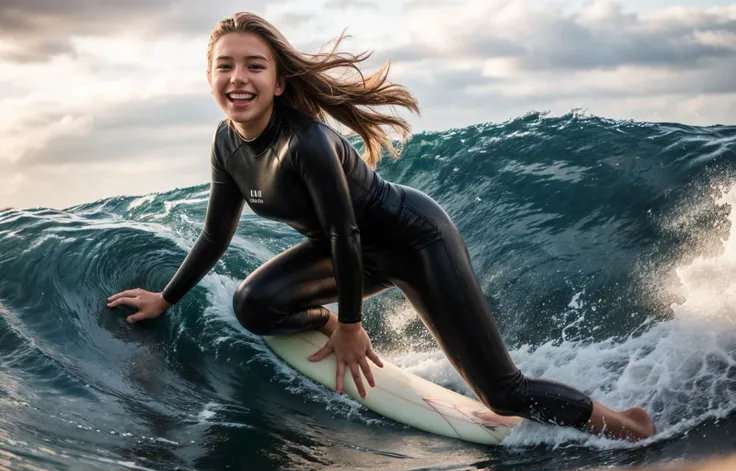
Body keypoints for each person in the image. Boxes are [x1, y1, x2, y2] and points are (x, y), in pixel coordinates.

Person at [107, 12, 656, 442]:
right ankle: (321, 320)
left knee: (503, 395)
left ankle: (627, 426)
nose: (238, 78)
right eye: (225, 66)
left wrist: (352, 325)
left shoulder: (308, 143)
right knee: (253, 306)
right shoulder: (226, 143)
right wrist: (166, 299)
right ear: (210, 78)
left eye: (254, 65)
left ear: (278, 82)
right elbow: (215, 234)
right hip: (347, 251)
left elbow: (347, 234)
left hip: (413, 241)